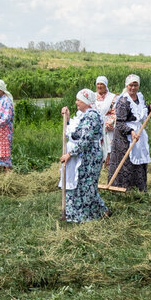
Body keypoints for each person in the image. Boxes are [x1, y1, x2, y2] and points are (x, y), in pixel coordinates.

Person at [59, 89, 108, 223]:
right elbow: (75, 134)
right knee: (82, 185)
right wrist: (68, 119)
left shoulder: (91, 116)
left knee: (87, 186)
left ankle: (96, 213)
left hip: (90, 156)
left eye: (79, 100)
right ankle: (83, 214)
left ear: (86, 102)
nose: (76, 102)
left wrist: (70, 154)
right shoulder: (84, 115)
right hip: (85, 154)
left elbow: (85, 139)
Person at [109, 75, 151, 192]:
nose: (133, 88)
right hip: (124, 137)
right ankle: (122, 189)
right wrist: (130, 132)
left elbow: (141, 110)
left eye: (135, 85)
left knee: (139, 163)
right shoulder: (123, 101)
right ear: (127, 86)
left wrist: (150, 107)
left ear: (138, 86)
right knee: (126, 164)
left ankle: (139, 189)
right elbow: (119, 123)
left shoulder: (140, 97)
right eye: (131, 85)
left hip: (138, 133)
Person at [93, 76, 118, 170]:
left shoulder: (112, 97)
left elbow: (115, 112)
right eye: (98, 84)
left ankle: (108, 167)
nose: (99, 86)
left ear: (105, 85)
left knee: (109, 146)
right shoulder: (92, 96)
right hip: (95, 125)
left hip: (108, 125)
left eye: (101, 84)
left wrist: (109, 123)